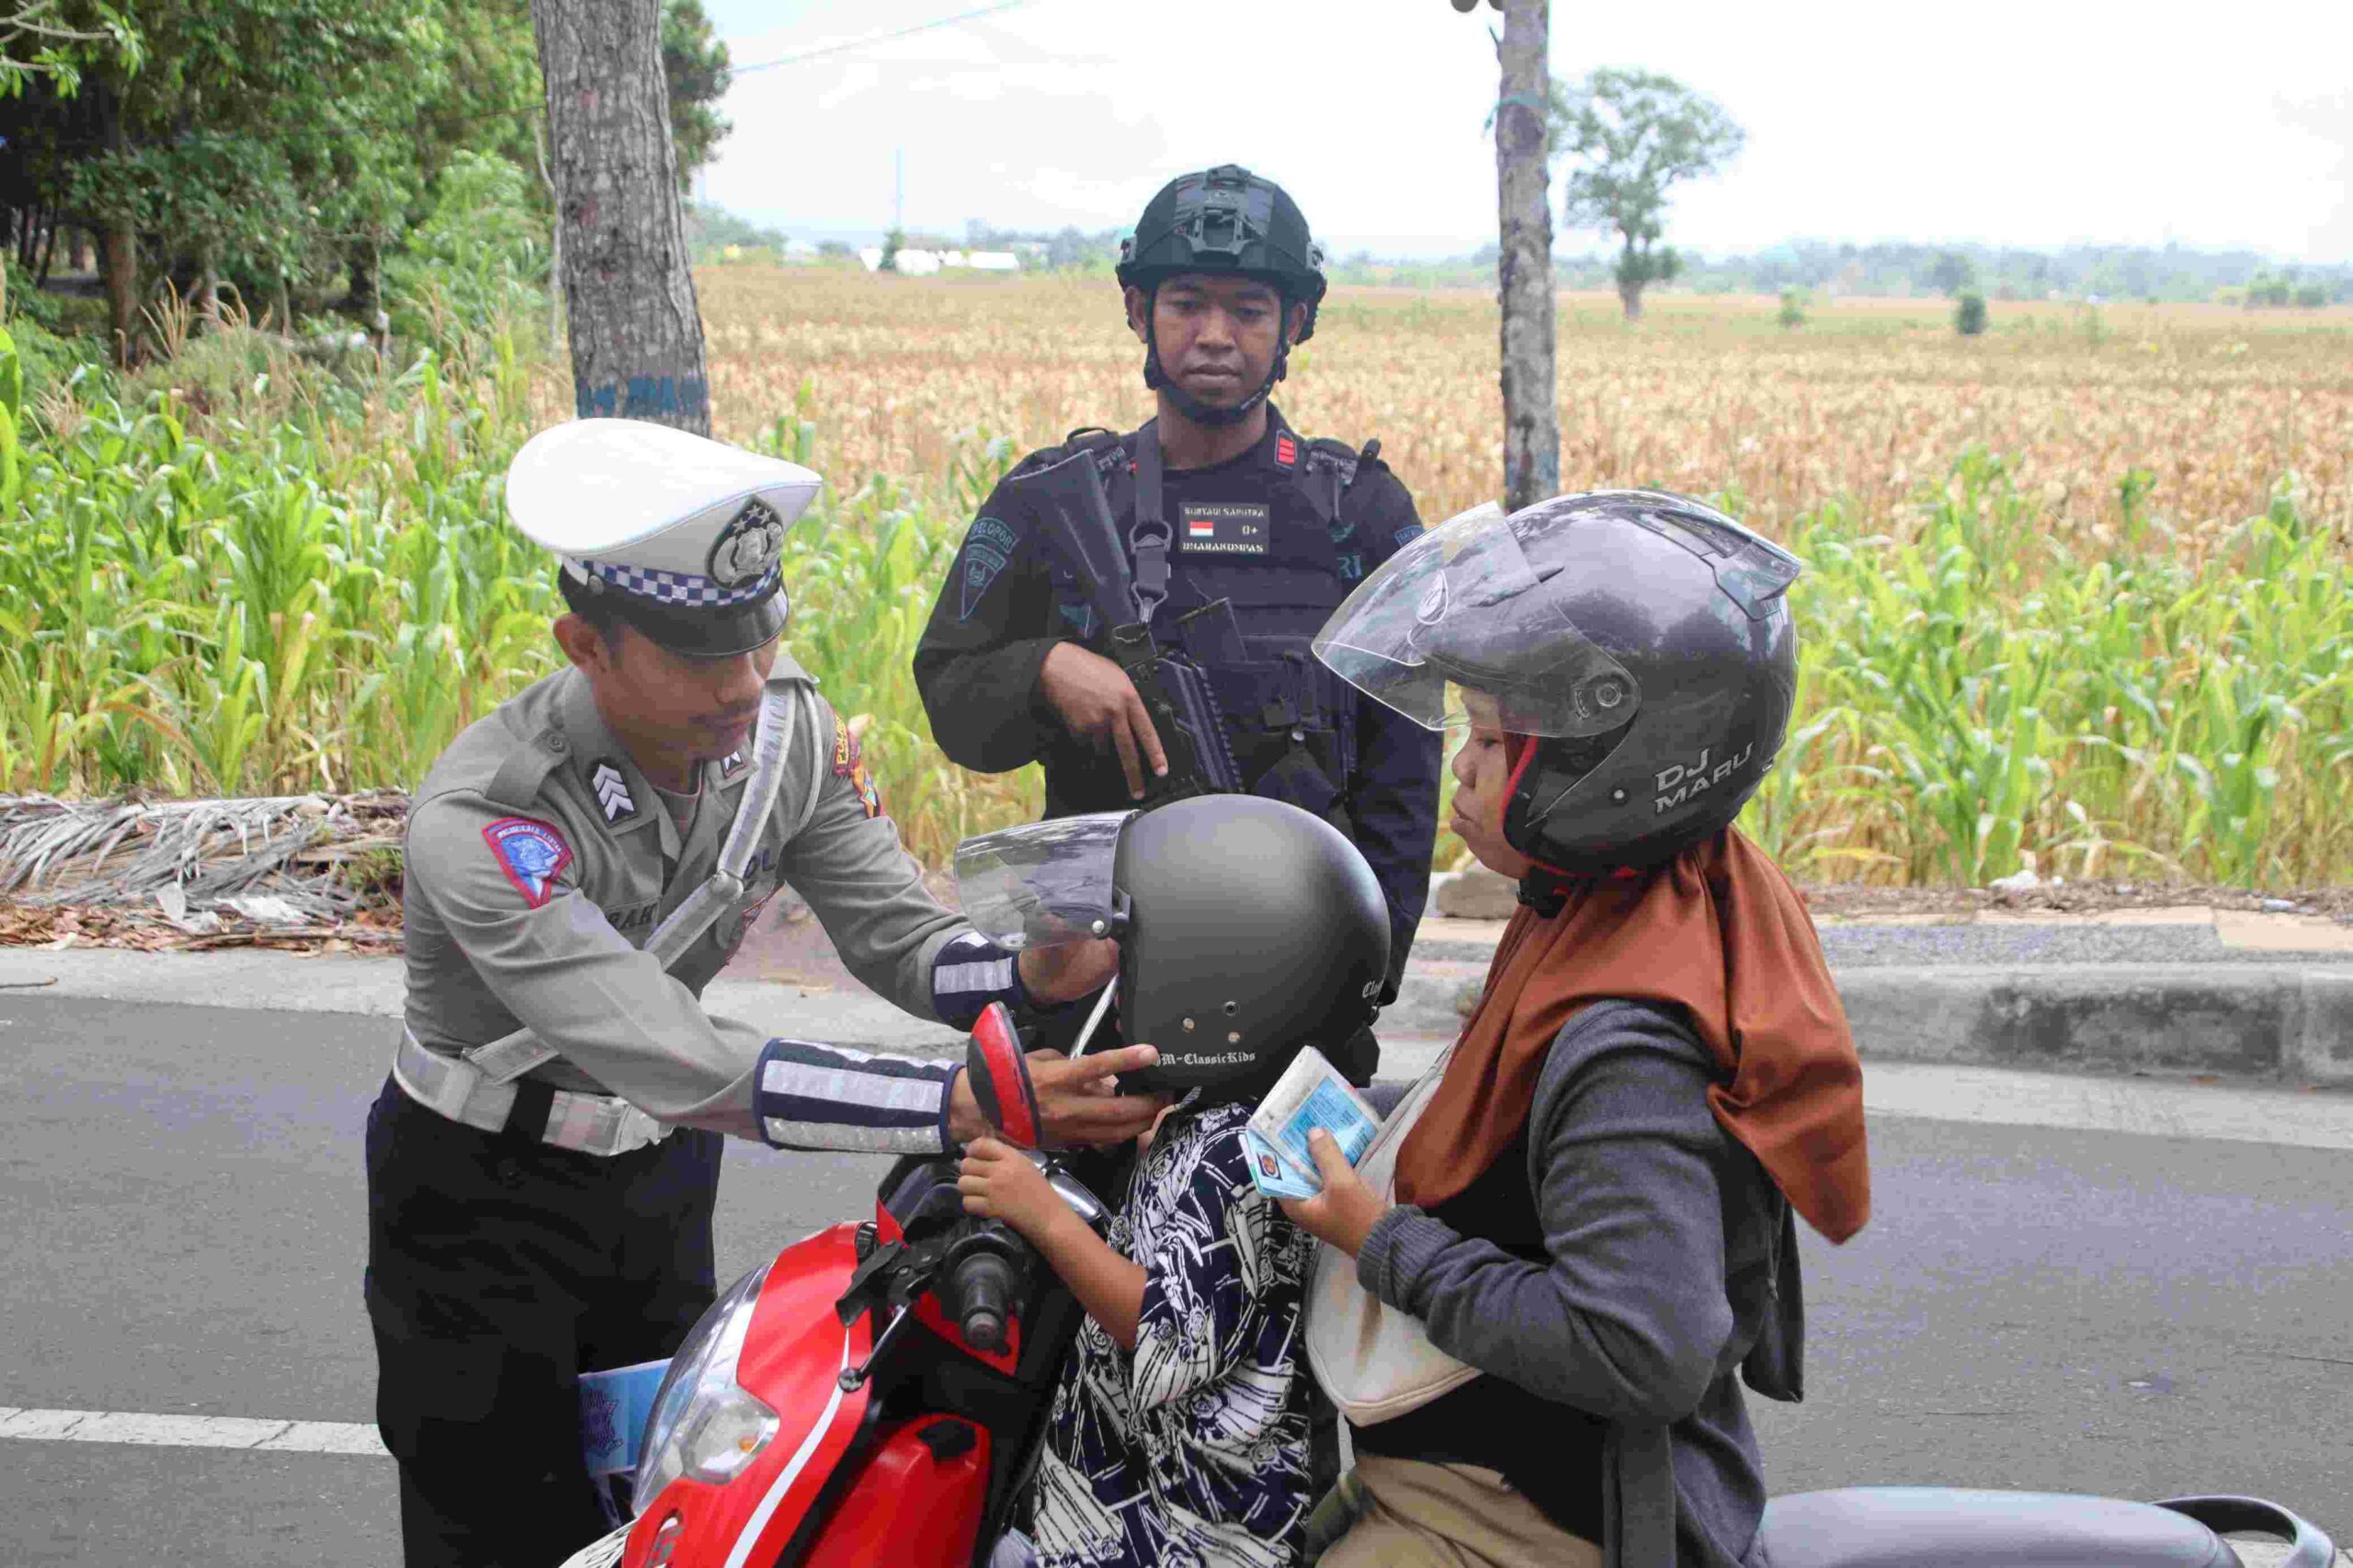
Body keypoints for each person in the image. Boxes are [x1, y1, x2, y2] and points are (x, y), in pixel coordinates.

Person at [365, 416, 1165, 1568]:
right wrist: (957, 1104)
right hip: (478, 1200)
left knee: (668, 1498)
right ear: (584, 643)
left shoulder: (786, 734)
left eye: (762, 636)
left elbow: (904, 939)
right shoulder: (494, 815)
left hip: (657, 1179)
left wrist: (1027, 972)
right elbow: (669, 1049)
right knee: (492, 1515)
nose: (746, 683)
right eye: (701, 655)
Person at [1279, 490, 1875, 1568]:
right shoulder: (1613, 904)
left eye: (1493, 736)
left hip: (1528, 1519)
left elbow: (1637, 1347)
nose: (1459, 765)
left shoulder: (1626, 1041)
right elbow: (1505, 1142)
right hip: (1470, 1476)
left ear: (1607, 767)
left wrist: (1380, 1239)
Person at [913, 163, 1443, 1085]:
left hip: (1302, 986)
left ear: (1296, 327)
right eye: (1186, 303)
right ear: (1136, 311)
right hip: (1096, 983)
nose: (1214, 335)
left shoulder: (1359, 509)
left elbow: (1406, 772)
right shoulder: (1056, 501)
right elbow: (952, 695)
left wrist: (1367, 971)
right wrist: (1043, 668)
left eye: (1248, 310)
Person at [952, 795, 1394, 1568]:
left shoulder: (1238, 1156)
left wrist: (1043, 1216)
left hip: (1178, 1533)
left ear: (1220, 985)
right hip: (1157, 1502)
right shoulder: (1255, 1113)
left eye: (1132, 967)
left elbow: (1164, 1339)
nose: (1117, 992)